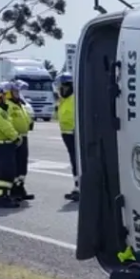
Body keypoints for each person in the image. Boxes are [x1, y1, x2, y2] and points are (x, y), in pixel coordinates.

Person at [3, 80, 35, 201]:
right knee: (15, 164)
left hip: (23, 136)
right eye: (15, 91)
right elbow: (6, 122)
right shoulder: (8, 105)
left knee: (22, 164)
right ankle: (13, 189)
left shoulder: (19, 104)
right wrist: (13, 136)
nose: (18, 93)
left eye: (18, 91)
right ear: (10, 93)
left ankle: (20, 187)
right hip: (14, 139)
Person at [57, 73, 79, 201]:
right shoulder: (64, 100)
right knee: (73, 161)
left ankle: (80, 187)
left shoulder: (74, 99)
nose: (60, 90)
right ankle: (77, 186)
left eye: (62, 87)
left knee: (77, 162)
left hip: (74, 134)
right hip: (67, 134)